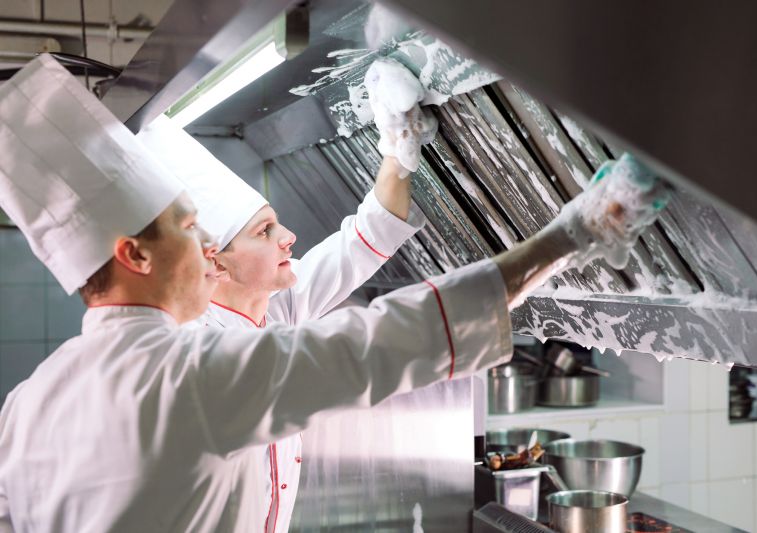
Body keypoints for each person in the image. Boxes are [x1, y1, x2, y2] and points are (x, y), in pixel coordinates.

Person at [0, 54, 670, 532]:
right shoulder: (186, 375)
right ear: (134, 254)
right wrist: (576, 231)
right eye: (187, 229)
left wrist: (398, 147)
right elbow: (383, 342)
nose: (202, 246)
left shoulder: (28, 402)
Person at [136, 111, 428, 533]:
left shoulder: (278, 306)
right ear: (216, 263)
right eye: (265, 231)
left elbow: (368, 236)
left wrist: (398, 149)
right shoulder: (193, 350)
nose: (288, 237)